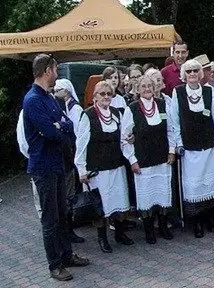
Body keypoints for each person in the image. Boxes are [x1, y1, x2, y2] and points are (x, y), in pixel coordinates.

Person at [23, 55, 90, 281]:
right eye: (55, 68)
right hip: (43, 167)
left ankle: (67, 255)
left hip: (58, 164)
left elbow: (68, 126)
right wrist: (57, 127)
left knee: (63, 213)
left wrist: (58, 126)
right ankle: (55, 265)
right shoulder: (32, 100)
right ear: (47, 70)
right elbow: (52, 132)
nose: (57, 72)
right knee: (50, 218)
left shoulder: (50, 98)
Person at [168, 59, 214, 238]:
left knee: (209, 185)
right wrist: (178, 143)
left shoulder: (209, 92)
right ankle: (197, 220)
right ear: (184, 75)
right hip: (189, 148)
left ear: (200, 74)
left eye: (195, 71)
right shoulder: (177, 92)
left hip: (208, 146)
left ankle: (210, 216)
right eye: (189, 71)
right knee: (194, 188)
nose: (192, 74)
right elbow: (174, 121)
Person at [76, 80, 134, 252]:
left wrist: (131, 140)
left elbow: (125, 139)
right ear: (95, 96)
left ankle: (120, 233)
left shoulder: (117, 113)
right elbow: (81, 145)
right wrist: (81, 170)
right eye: (102, 94)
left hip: (116, 165)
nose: (106, 97)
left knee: (119, 201)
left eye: (109, 93)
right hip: (97, 169)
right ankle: (102, 238)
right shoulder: (88, 115)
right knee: (100, 206)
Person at [122, 75, 175, 244]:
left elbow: (171, 130)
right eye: (143, 86)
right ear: (137, 89)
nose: (146, 89)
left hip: (162, 158)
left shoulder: (163, 105)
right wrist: (132, 160)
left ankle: (163, 226)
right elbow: (124, 138)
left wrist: (172, 151)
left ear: (154, 88)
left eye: (149, 86)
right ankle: (149, 230)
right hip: (143, 161)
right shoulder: (132, 109)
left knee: (162, 193)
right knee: (147, 196)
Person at [52, 79, 86, 244]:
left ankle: (70, 229)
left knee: (70, 197)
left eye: (60, 90)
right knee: (62, 199)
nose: (57, 93)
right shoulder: (58, 107)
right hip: (61, 160)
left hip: (70, 157)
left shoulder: (75, 108)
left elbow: (73, 128)